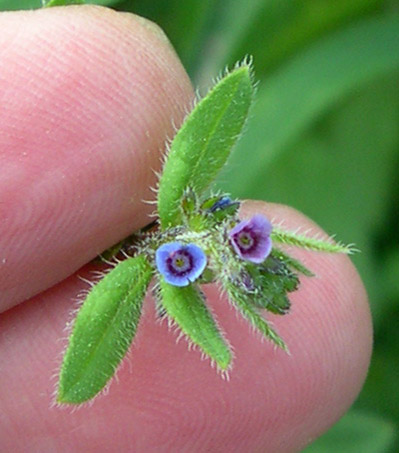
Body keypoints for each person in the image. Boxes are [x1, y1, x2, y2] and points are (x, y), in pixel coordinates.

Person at [0, 5, 372, 452]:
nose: (243, 240)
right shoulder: (186, 252)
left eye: (245, 241)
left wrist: (188, 259)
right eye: (245, 239)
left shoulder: (189, 256)